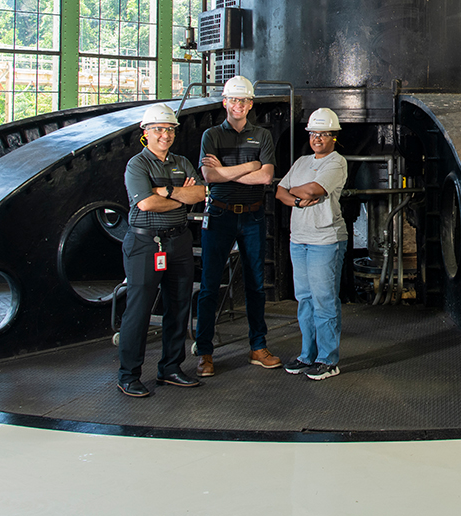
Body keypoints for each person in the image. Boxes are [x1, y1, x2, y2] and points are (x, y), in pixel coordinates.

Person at [192, 75, 282, 376]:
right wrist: (249, 166)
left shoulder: (263, 135)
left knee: (255, 285)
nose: (238, 105)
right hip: (219, 215)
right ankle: (204, 352)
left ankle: (258, 347)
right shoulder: (211, 136)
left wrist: (227, 171)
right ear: (225, 102)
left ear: (250, 104)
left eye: (243, 100)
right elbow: (210, 178)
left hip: (253, 216)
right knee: (209, 286)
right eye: (233, 100)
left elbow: (266, 177)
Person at [117, 103, 206, 397]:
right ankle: (128, 375)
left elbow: (200, 193)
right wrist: (181, 197)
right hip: (145, 243)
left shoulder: (181, 162)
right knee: (139, 310)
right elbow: (146, 204)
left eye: (169, 129)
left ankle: (170, 368)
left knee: (179, 306)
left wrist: (166, 192)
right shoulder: (137, 165)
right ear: (146, 133)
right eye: (158, 129)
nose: (164, 135)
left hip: (179, 241)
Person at [276, 108, 349, 380]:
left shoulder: (336, 162)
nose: (318, 138)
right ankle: (307, 355)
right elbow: (279, 192)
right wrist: (296, 199)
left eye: (324, 134)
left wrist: (297, 191)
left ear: (334, 137)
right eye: (314, 133)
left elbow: (313, 191)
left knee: (324, 300)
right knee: (304, 300)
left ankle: (328, 360)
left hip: (325, 241)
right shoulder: (302, 162)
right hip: (300, 239)